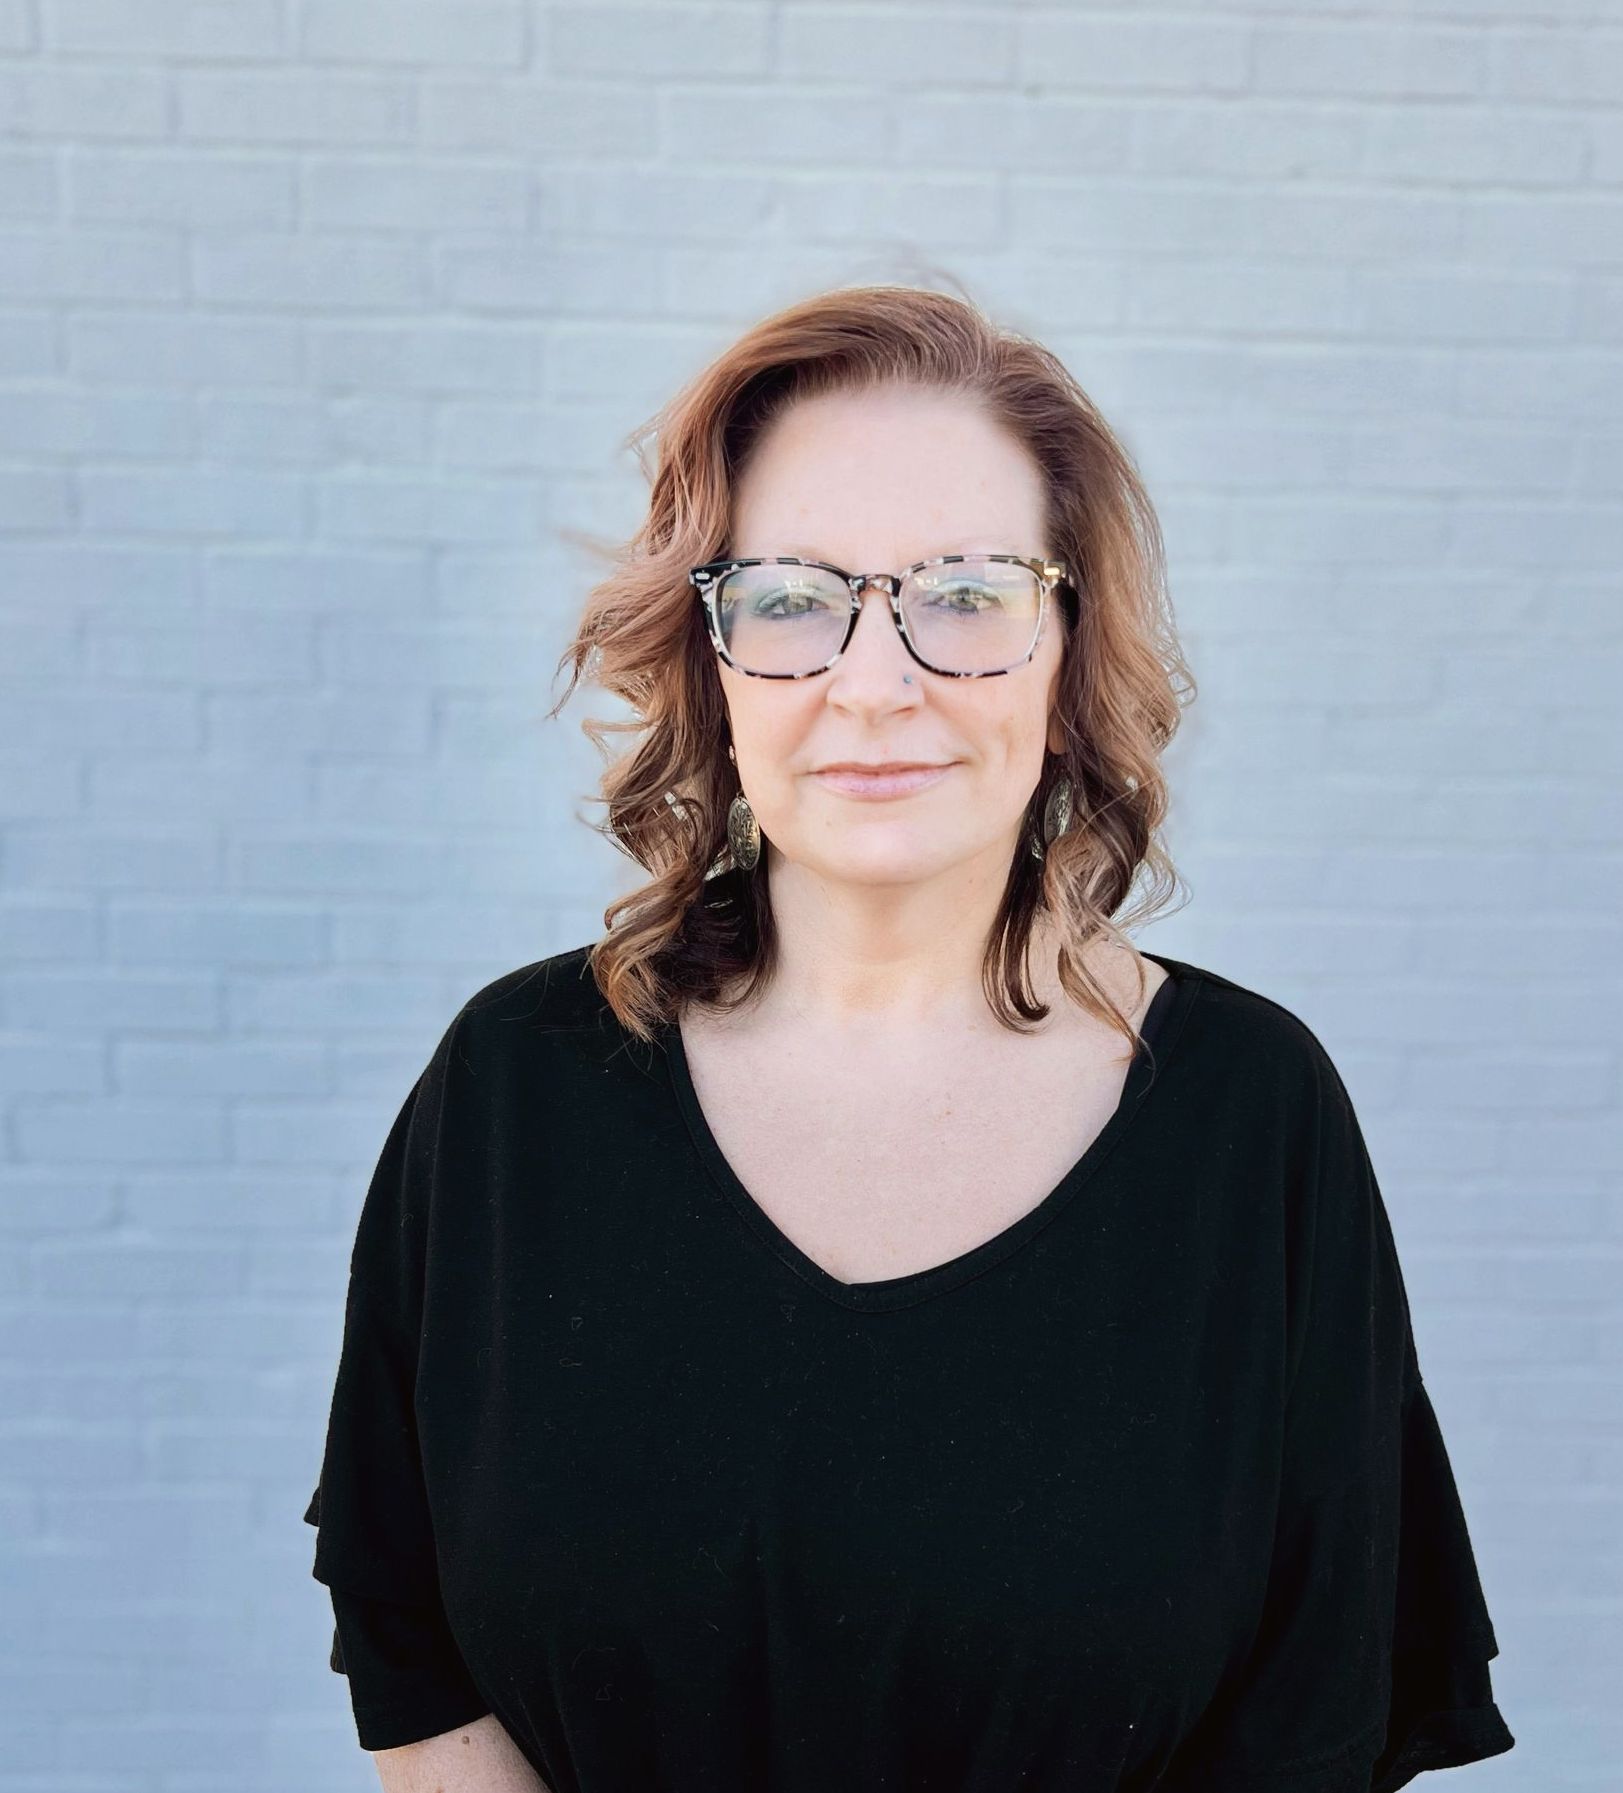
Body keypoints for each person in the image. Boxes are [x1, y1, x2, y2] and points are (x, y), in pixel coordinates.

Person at [303, 285, 1516, 1792]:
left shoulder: (1250, 1119)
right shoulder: (512, 1088)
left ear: (1070, 651)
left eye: (967, 591)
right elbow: (414, 1653)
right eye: (793, 597)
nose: (875, 685)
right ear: (714, 658)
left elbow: (1318, 1714)